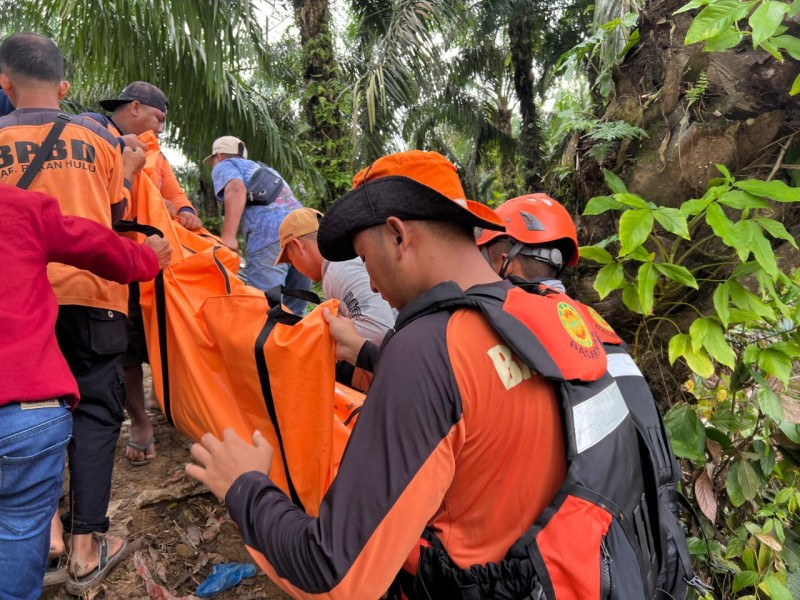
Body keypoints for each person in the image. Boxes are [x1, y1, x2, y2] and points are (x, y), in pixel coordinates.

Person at [185, 150, 571, 599]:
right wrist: (368, 352)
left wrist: (246, 485)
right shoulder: (546, 314)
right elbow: (472, 390)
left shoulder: (425, 349)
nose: (369, 284)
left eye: (365, 259)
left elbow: (334, 572)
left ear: (397, 236)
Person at [0, 32, 145, 594]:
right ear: (64, 87)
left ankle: (50, 536)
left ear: (5, 85)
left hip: (21, 301)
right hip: (95, 293)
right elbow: (111, 222)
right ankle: (86, 548)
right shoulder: (102, 140)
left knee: (27, 403)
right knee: (94, 415)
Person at [0, 182, 171, 600]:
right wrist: (148, 257)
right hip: (25, 404)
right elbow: (96, 245)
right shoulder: (17, 207)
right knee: (20, 524)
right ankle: (69, 543)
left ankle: (54, 535)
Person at [87, 81, 202, 466]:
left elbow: (174, 192)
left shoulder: (155, 153)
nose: (162, 128)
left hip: (159, 260)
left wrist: (181, 208)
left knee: (168, 331)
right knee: (128, 345)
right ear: (135, 107)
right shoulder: (94, 136)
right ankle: (139, 420)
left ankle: (165, 398)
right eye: (158, 118)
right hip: (118, 262)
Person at [203, 136, 311, 314]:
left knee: (263, 310)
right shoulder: (265, 169)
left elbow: (236, 188)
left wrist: (228, 237)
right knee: (295, 311)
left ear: (219, 155)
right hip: (304, 231)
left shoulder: (225, 165)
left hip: (269, 236)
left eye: (213, 161)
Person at [274, 207, 396, 346]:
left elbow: (380, 330)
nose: (295, 267)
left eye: (291, 260)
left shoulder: (339, 267)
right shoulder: (337, 264)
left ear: (297, 246)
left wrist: (323, 341)